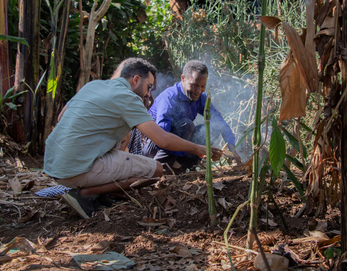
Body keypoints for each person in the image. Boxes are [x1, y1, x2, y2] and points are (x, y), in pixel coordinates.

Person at [44, 58, 222, 219]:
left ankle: (99, 189)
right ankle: (86, 193)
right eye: (149, 87)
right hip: (74, 170)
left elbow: (61, 117)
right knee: (155, 171)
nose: (149, 94)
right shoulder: (128, 98)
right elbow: (163, 140)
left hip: (53, 163)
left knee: (125, 136)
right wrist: (199, 148)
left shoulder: (94, 85)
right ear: (136, 79)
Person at [141, 60, 241, 172]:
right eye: (194, 85)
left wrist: (232, 147)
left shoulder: (200, 98)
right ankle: (163, 169)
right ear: (183, 79)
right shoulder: (169, 99)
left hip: (176, 145)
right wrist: (195, 149)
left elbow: (219, 122)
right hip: (153, 146)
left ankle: (180, 167)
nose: (198, 91)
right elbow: (161, 140)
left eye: (203, 86)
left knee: (214, 127)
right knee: (187, 125)